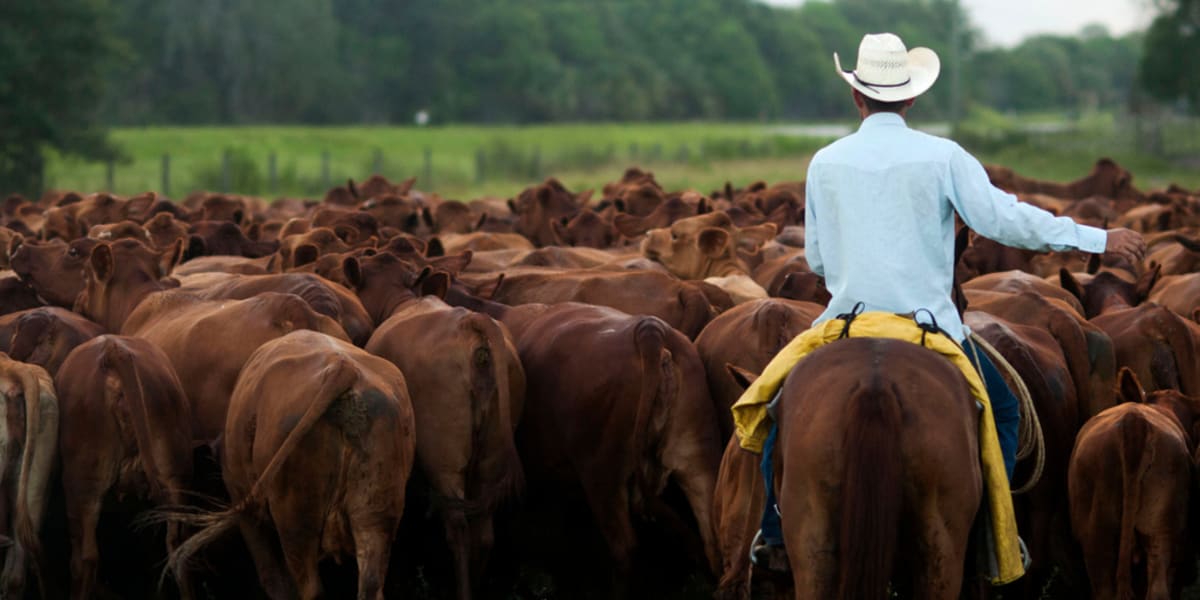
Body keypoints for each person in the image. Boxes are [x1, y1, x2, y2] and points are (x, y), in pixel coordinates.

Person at [751, 32, 1146, 563]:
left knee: (776, 413)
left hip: (845, 324)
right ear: (912, 98)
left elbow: (818, 261)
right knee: (1003, 412)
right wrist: (1098, 238)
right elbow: (1003, 219)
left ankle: (774, 536)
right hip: (930, 328)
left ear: (856, 96)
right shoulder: (943, 156)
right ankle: (988, 534)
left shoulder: (825, 162)